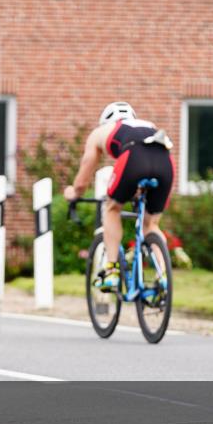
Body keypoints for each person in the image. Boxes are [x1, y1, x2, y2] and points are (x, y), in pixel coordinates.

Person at [64, 102, 174, 290]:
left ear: (105, 121)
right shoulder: (148, 125)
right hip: (165, 162)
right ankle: (163, 277)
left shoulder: (100, 132)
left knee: (112, 209)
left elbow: (86, 167)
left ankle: (111, 270)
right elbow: (151, 156)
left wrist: (75, 192)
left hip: (134, 157)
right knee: (151, 224)